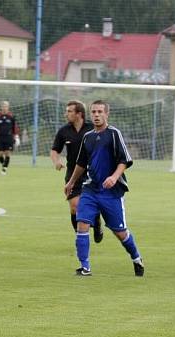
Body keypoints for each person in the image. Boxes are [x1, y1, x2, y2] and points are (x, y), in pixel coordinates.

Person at [65, 100, 144, 277]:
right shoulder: (88, 137)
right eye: (94, 112)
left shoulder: (114, 134)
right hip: (90, 190)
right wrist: (71, 183)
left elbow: (125, 160)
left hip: (111, 193)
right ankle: (85, 267)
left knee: (120, 233)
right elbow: (81, 163)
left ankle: (136, 257)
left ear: (107, 114)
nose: (97, 115)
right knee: (82, 223)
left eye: (100, 112)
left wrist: (114, 177)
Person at [51, 100, 104, 243]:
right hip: (72, 174)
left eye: (69, 111)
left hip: (92, 173)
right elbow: (54, 150)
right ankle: (80, 237)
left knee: (93, 204)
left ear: (79, 114)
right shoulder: (64, 131)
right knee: (74, 208)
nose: (66, 114)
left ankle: (97, 222)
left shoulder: (92, 128)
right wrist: (56, 161)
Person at [0, 100, 19, 175]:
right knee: (0, 154)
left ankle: (4, 170)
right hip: (0, 137)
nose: (4, 108)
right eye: (3, 106)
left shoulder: (11, 116)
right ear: (1, 107)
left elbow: (15, 127)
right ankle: (4, 165)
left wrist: (16, 136)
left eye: (6, 106)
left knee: (7, 153)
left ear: (8, 107)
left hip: (9, 137)